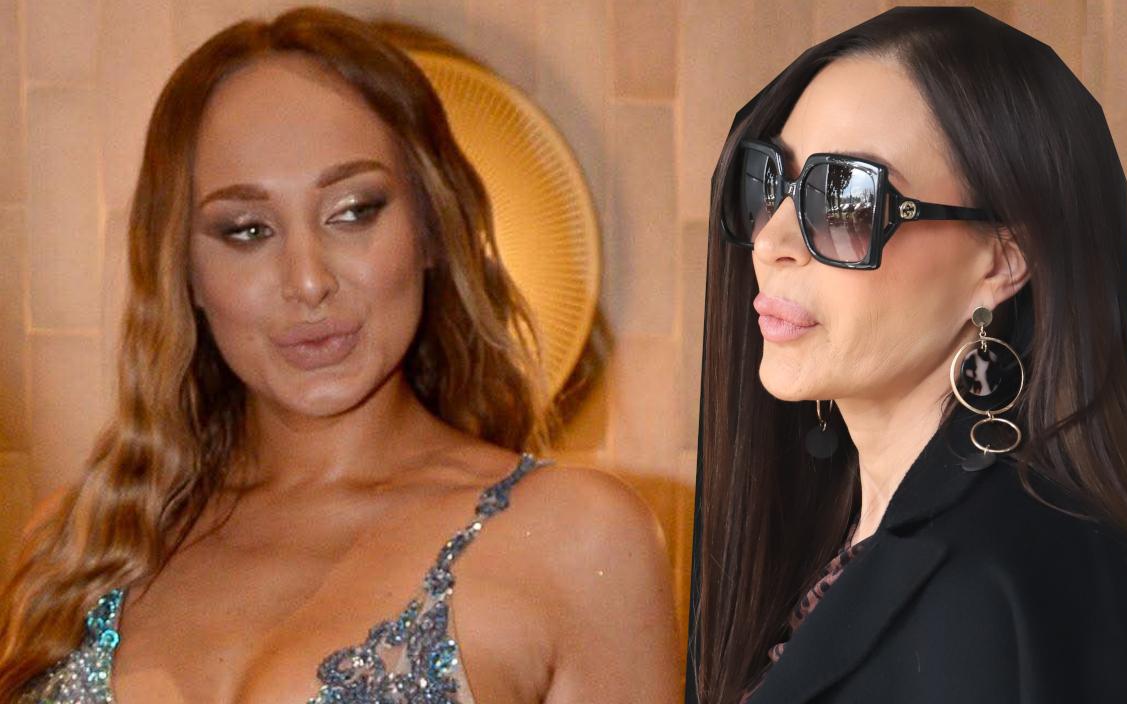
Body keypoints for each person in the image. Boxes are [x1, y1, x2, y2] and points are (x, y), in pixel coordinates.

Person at [0, 7, 679, 703]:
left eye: (353, 211)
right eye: (247, 230)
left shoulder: (576, 541)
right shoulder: (77, 548)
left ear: (431, 228)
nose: (308, 281)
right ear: (186, 273)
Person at [689, 7, 1127, 703]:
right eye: (770, 183)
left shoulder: (994, 587)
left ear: (1002, 260)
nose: (773, 240)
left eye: (846, 198)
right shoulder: (846, 537)